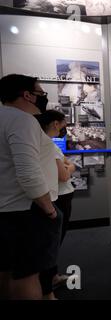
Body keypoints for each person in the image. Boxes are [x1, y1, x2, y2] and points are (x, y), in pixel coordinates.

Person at [0, 74, 59, 300]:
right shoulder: (22, 120)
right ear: (27, 95)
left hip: (7, 210)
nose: (43, 98)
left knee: (6, 271)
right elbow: (27, 172)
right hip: (26, 211)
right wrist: (49, 209)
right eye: (41, 93)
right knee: (27, 275)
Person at [36, 110, 75, 299]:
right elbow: (65, 174)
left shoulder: (47, 144)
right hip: (59, 198)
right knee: (51, 243)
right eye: (64, 123)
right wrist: (69, 167)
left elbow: (69, 164)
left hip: (59, 197)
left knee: (52, 243)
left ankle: (52, 277)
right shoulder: (47, 146)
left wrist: (69, 166)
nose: (65, 127)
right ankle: (48, 287)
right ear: (56, 123)